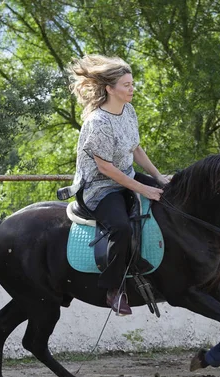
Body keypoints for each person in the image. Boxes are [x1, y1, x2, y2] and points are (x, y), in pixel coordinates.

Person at [60, 54, 168, 316]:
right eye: (126, 85)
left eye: (132, 84)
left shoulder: (128, 110)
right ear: (110, 89)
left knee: (170, 196)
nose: (132, 89)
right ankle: (113, 289)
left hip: (125, 177)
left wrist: (159, 177)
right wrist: (143, 189)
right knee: (120, 227)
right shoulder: (98, 122)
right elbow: (105, 168)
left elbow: (136, 148)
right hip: (99, 188)